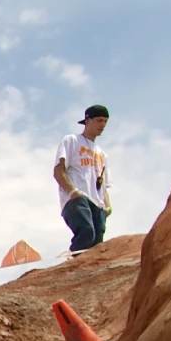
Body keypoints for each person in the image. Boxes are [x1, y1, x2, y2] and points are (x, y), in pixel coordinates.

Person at [53, 105, 113, 253]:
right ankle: (74, 264)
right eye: (99, 120)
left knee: (97, 241)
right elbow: (58, 170)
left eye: (105, 121)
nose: (103, 125)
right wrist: (73, 192)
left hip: (97, 203)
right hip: (78, 197)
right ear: (87, 120)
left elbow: (103, 183)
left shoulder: (102, 154)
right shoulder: (71, 140)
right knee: (86, 231)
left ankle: (90, 271)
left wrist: (108, 206)